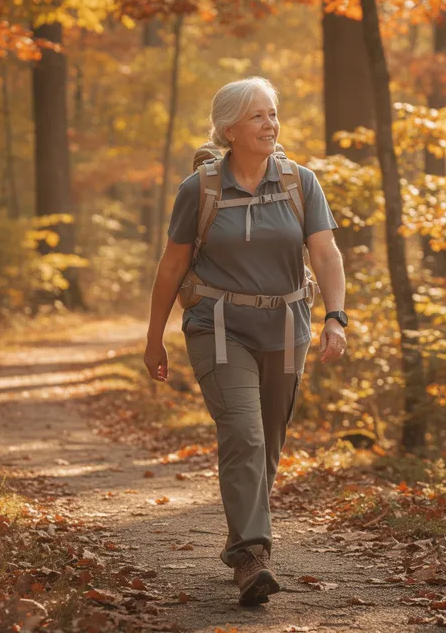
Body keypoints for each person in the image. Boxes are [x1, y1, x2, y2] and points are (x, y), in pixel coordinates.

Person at [144, 76, 349, 606]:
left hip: (286, 327)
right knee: (245, 434)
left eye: (273, 114)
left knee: (269, 443)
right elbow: (171, 268)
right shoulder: (201, 190)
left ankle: (241, 539)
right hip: (218, 328)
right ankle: (253, 555)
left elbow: (325, 254)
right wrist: (154, 339)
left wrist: (336, 317)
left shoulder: (301, 183)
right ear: (229, 128)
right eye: (258, 116)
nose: (270, 124)